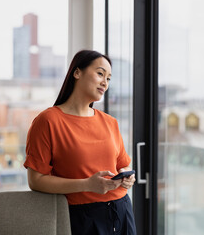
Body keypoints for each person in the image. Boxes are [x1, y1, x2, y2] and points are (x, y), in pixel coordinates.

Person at [23, 50, 137, 235]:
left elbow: (122, 165)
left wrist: (126, 177)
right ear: (77, 73)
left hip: (121, 210)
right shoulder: (48, 121)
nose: (104, 83)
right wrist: (87, 184)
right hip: (81, 217)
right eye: (100, 73)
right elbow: (36, 181)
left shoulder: (110, 122)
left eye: (108, 78)